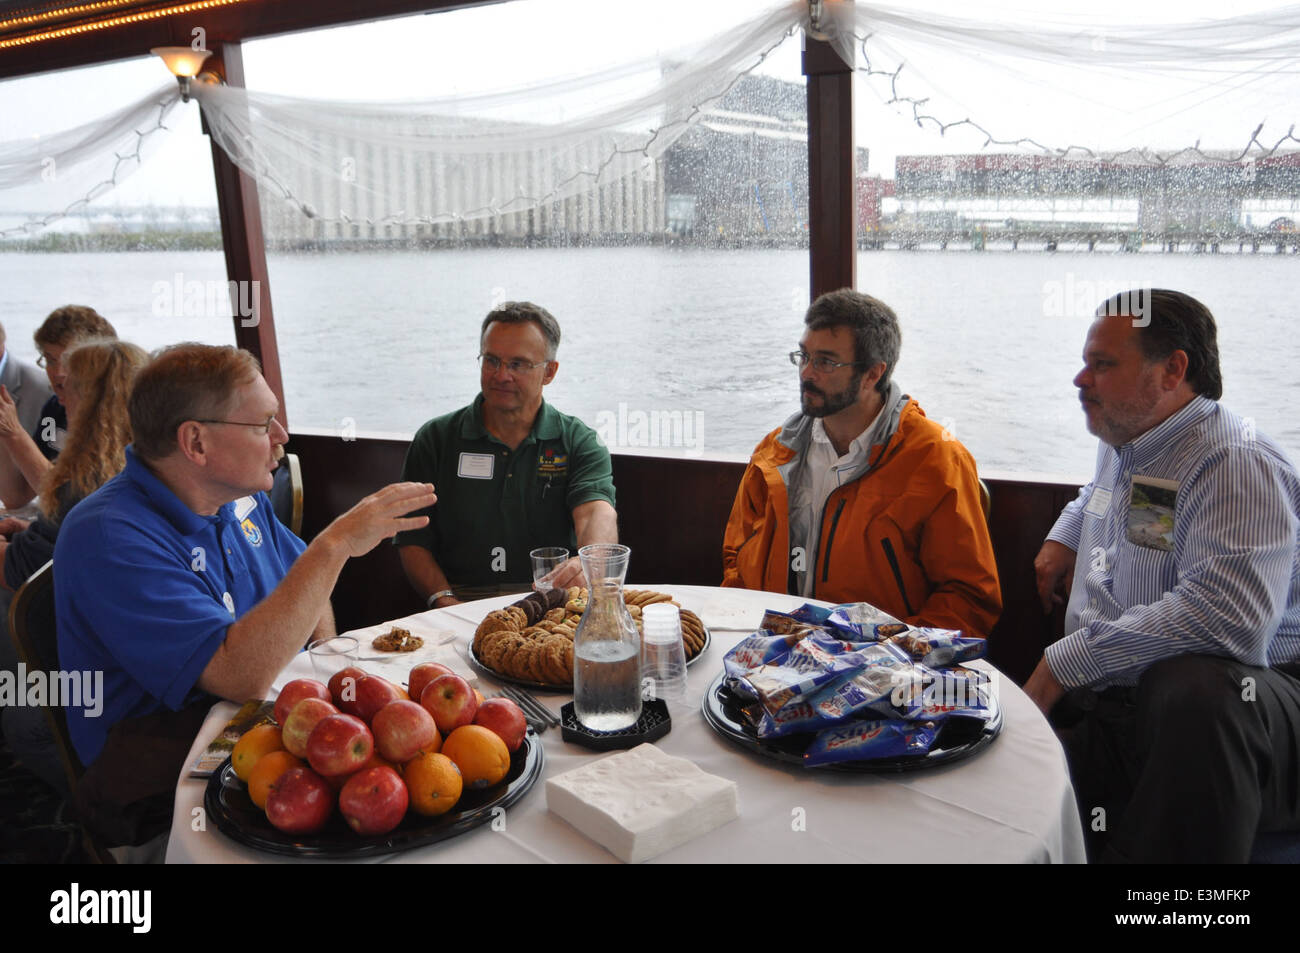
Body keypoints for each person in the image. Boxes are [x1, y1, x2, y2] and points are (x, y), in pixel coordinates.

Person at [55, 343, 436, 769]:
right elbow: (238, 677)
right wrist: (336, 544)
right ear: (196, 442)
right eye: (263, 424)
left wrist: (324, 666)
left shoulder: (237, 497)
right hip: (165, 766)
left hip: (257, 715)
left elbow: (302, 584)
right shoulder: (109, 538)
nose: (282, 437)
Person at [1026, 288, 1300, 863]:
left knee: (1197, 688)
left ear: (1173, 369)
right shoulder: (1134, 441)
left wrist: (1064, 661)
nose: (1081, 379)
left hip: (1259, 701)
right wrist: (1065, 534)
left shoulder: (1232, 463)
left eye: (1103, 365)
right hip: (1123, 701)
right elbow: (1109, 499)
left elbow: (1228, 618)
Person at [721, 288, 1001, 638]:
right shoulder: (775, 451)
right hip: (772, 654)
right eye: (803, 356)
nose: (806, 373)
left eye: (825, 361)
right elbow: (735, 558)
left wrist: (891, 656)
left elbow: (969, 599)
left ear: (872, 374)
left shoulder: (937, 460)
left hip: (882, 673)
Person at [395, 301, 617, 608]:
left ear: (549, 372)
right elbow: (411, 538)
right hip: (458, 599)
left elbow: (596, 512)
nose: (501, 375)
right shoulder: (435, 439)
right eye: (492, 360)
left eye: (518, 364)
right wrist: (444, 601)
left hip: (552, 602)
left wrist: (587, 561)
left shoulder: (579, 441)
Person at [0, 338, 148, 795]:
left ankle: (94, 800)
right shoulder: (149, 465)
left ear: (90, 400)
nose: (57, 395)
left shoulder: (81, 486)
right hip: (131, 644)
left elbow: (19, 573)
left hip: (104, 666)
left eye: (66, 389)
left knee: (23, 721)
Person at [0, 305, 117, 508]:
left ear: (99, 362)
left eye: (70, 360)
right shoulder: (55, 410)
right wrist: (4, 430)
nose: (59, 374)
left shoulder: (118, 416)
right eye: (51, 361)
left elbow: (70, 502)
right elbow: (16, 496)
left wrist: (15, 434)